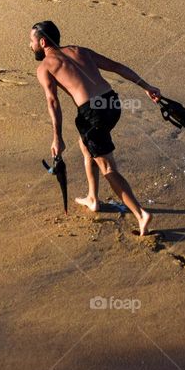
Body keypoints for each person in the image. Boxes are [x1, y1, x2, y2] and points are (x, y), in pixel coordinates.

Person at [31, 20, 160, 236]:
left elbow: (53, 102)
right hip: (111, 103)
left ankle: (140, 214)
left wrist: (57, 138)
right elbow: (117, 67)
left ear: (42, 42)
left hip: (92, 113)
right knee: (86, 145)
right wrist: (146, 87)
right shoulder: (79, 50)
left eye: (31, 41)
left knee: (107, 167)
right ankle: (93, 198)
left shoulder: (44, 67)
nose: (30, 45)